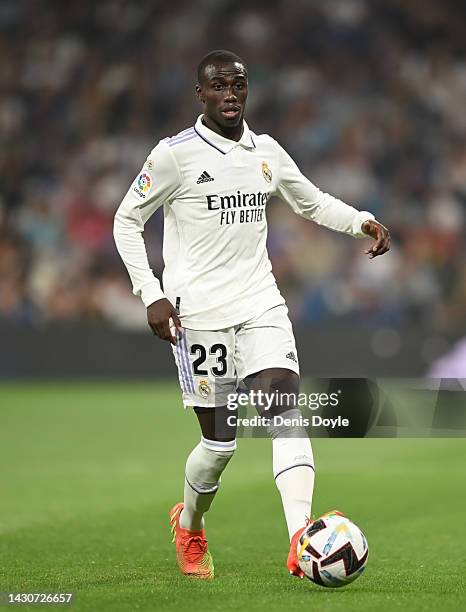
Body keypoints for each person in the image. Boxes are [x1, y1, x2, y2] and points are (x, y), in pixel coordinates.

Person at [113, 49, 390, 580]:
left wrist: (362, 222)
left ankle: (301, 537)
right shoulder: (175, 156)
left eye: (238, 85)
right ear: (200, 94)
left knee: (284, 411)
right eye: (218, 86)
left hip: (260, 303)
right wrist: (149, 292)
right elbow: (127, 220)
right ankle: (190, 523)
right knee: (220, 445)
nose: (230, 94)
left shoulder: (266, 151)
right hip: (201, 316)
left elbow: (309, 201)